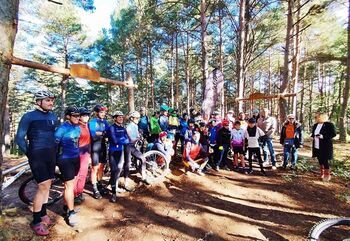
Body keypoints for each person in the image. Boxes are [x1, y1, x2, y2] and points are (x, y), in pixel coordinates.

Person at [16, 90, 57, 236]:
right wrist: (30, 153)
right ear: (38, 102)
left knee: (48, 185)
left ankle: (43, 212)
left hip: (51, 155)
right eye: (48, 100)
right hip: (37, 155)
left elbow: (53, 136)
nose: (51, 103)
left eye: (52, 100)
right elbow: (19, 138)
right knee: (43, 186)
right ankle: (35, 221)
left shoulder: (53, 116)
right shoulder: (29, 116)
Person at [55, 107, 81, 226]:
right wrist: (54, 161)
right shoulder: (62, 129)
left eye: (78, 115)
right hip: (65, 159)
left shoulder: (77, 127)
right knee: (69, 185)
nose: (77, 117)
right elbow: (54, 146)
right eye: (74, 115)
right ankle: (71, 213)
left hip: (76, 158)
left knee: (71, 184)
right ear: (68, 116)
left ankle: (66, 207)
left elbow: (77, 143)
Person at [125, 111, 151, 188]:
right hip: (128, 146)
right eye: (136, 118)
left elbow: (136, 137)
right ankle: (126, 182)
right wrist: (138, 137)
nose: (138, 119)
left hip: (133, 146)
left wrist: (139, 136)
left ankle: (144, 177)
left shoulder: (136, 126)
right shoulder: (128, 126)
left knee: (142, 158)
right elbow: (131, 139)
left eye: (138, 118)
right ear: (132, 118)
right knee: (127, 164)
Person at [88, 104, 109, 199]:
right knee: (94, 168)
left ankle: (99, 184)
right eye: (101, 112)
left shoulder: (105, 122)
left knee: (101, 166)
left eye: (104, 112)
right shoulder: (92, 122)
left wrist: (102, 133)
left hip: (103, 145)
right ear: (96, 113)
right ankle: (94, 188)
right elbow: (93, 134)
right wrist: (103, 133)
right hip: (95, 146)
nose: (103, 114)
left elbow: (108, 132)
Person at [108, 111, 129, 203]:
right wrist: (123, 140)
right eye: (119, 117)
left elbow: (127, 139)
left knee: (119, 170)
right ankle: (113, 193)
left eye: (122, 117)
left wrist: (122, 140)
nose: (121, 118)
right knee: (114, 171)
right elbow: (114, 140)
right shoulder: (112, 128)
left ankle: (114, 186)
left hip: (120, 151)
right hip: (113, 152)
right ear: (115, 118)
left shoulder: (123, 128)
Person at [73, 107, 92, 204]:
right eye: (84, 115)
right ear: (79, 116)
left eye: (87, 115)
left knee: (83, 174)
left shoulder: (87, 125)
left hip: (86, 152)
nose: (86, 117)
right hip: (78, 152)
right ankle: (74, 194)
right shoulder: (77, 126)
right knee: (77, 174)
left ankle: (79, 193)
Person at [311, 112, 336, 181]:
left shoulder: (329, 125)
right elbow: (313, 133)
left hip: (325, 145)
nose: (316, 118)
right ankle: (322, 173)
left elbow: (333, 134)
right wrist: (313, 136)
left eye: (317, 117)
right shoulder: (315, 125)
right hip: (317, 144)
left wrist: (322, 136)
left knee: (325, 160)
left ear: (322, 117)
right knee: (320, 159)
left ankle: (327, 175)